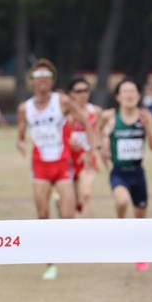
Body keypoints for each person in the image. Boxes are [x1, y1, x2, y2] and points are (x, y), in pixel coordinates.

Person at [16, 58, 94, 280]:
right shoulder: (25, 108)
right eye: (38, 77)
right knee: (42, 216)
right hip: (40, 167)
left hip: (61, 164)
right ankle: (49, 262)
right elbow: (21, 134)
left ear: (52, 82)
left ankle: (64, 245)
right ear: (31, 81)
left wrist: (90, 149)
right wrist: (21, 143)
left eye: (47, 77)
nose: (42, 81)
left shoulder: (62, 101)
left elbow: (87, 122)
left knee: (68, 216)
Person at [98, 78, 152, 272]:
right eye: (125, 91)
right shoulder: (112, 118)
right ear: (118, 97)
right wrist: (102, 143)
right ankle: (121, 226)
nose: (129, 95)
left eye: (133, 91)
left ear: (139, 95)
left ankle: (140, 257)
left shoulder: (144, 117)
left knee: (141, 219)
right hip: (119, 173)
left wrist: (149, 126)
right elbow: (101, 135)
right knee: (122, 201)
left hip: (138, 173)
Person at [65, 77, 101, 218]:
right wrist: (69, 142)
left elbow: (98, 133)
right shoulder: (65, 113)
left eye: (86, 90)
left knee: (86, 194)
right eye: (78, 91)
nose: (83, 94)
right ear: (71, 94)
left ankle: (89, 235)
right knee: (72, 202)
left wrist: (95, 150)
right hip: (68, 158)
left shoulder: (95, 111)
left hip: (87, 157)